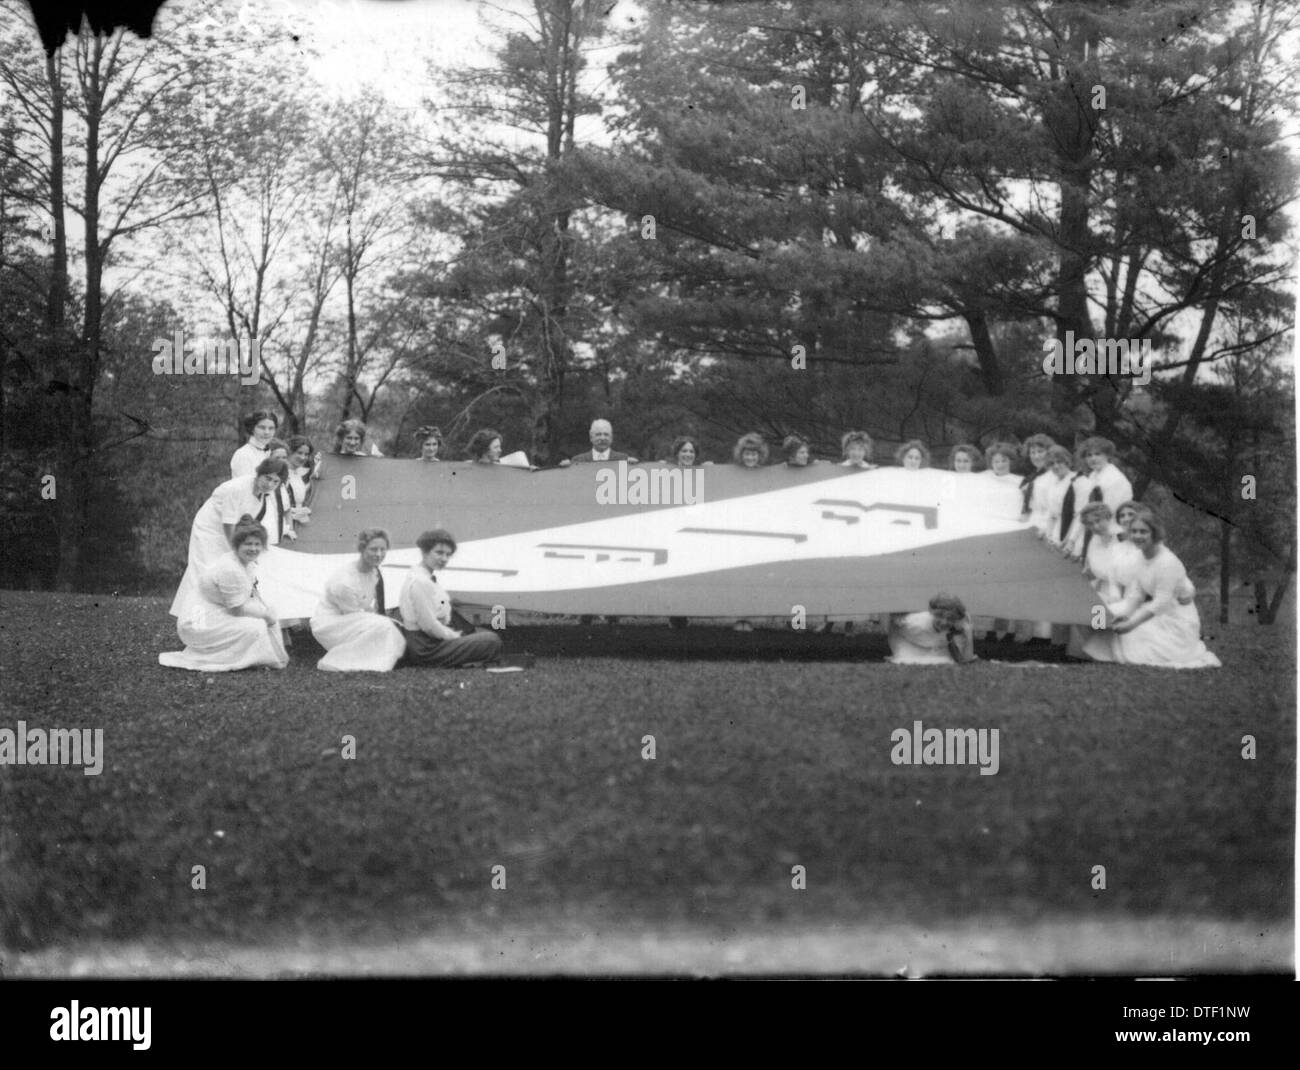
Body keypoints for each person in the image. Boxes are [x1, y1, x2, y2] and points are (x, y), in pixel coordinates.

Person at [1084, 507, 1220, 668]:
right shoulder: (1141, 557)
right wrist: (1126, 615)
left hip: (1175, 620)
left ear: (1154, 534)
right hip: (1151, 610)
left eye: (1143, 532)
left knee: (1127, 639)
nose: (1137, 536)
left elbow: (1162, 602)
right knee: (1106, 626)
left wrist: (1131, 624)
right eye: (1134, 532)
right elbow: (1137, 595)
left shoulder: (1167, 562)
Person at [159, 515, 290, 672]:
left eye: (257, 544)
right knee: (256, 626)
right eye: (248, 544)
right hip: (197, 620)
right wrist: (265, 616)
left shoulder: (245, 564)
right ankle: (225, 657)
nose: (253, 549)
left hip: (215, 610)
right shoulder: (230, 568)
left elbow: (248, 597)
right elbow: (236, 609)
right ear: (237, 545)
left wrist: (266, 612)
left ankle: (251, 654)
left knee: (265, 614)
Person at [169, 459, 289, 619]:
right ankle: (196, 624)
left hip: (229, 533)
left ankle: (215, 620)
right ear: (259, 473)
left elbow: (246, 524)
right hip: (209, 530)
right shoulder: (237, 488)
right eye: (267, 478)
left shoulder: (263, 496)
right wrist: (237, 551)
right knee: (204, 573)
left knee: (222, 573)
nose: (270, 484)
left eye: (275, 481)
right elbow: (228, 523)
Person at [399, 528, 504, 667]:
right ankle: (468, 660)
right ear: (424, 552)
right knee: (491, 640)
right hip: (426, 649)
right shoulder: (420, 581)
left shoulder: (424, 577)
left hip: (430, 641)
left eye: (448, 555)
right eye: (439, 552)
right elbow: (429, 626)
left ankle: (468, 658)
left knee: (482, 634)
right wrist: (454, 637)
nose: (444, 559)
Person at [310, 528, 406, 672]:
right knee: (385, 626)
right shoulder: (345, 582)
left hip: (351, 617)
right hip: (330, 624)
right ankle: (342, 659)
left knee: (388, 626)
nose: (379, 554)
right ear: (362, 549)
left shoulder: (373, 571)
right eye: (373, 549)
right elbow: (353, 614)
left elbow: (363, 610)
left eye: (383, 549)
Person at [1063, 437, 1133, 559]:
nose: (1093, 458)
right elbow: (1086, 510)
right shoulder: (1094, 475)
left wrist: (1081, 546)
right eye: (1089, 455)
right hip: (1098, 531)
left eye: (1097, 454)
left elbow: (1106, 515)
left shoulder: (1114, 479)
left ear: (1107, 455)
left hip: (1114, 534)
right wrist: (1072, 540)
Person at [887, 594, 979, 664]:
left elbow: (965, 659)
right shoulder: (914, 622)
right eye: (939, 616)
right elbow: (894, 620)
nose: (944, 622)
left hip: (934, 643)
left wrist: (968, 635)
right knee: (908, 660)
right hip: (907, 640)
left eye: (950, 619)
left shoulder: (957, 629)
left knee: (946, 660)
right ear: (932, 613)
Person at [230, 410, 280, 479]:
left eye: (271, 428)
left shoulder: (271, 452)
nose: (267, 432)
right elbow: (245, 486)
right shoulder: (243, 454)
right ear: (252, 428)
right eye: (262, 427)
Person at [564, 418, 638, 465]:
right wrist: (564, 471)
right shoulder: (577, 461)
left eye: (606, 434)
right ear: (591, 437)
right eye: (598, 434)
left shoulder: (624, 459)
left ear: (611, 438)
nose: (602, 438)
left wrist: (636, 467)